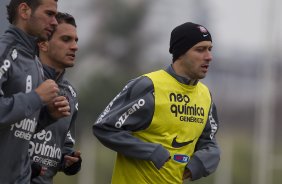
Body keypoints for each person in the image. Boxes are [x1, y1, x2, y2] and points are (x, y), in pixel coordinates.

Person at [93, 22, 220, 183]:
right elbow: (105, 127)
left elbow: (210, 143)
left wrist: (197, 165)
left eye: (210, 49)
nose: (209, 56)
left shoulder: (205, 95)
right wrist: (151, 151)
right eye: (200, 49)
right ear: (181, 53)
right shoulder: (149, 85)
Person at [0, 0, 70, 183]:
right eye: (49, 14)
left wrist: (48, 115)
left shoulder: (35, 62)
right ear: (24, 10)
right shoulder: (4, 53)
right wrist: (36, 97)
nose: (55, 22)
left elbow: (16, 127)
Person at [29, 12, 82, 184]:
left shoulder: (70, 94)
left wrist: (67, 161)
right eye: (66, 39)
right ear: (43, 44)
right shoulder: (22, 81)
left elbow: (64, 147)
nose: (74, 47)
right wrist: (23, 167)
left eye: (76, 40)